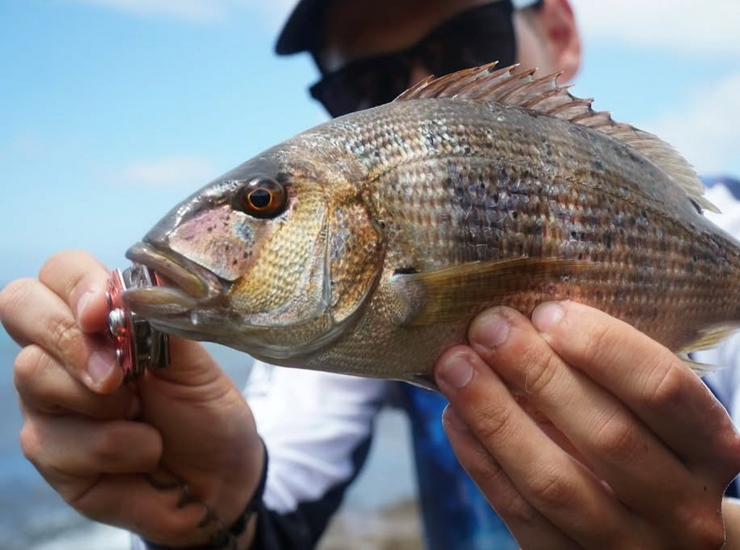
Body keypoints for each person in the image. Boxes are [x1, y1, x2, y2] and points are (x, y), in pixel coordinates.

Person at [1, 0, 739, 548]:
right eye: (369, 81)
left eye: (465, 39)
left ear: (560, 34)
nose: (432, 78)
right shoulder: (337, 332)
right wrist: (216, 499)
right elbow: (275, 495)